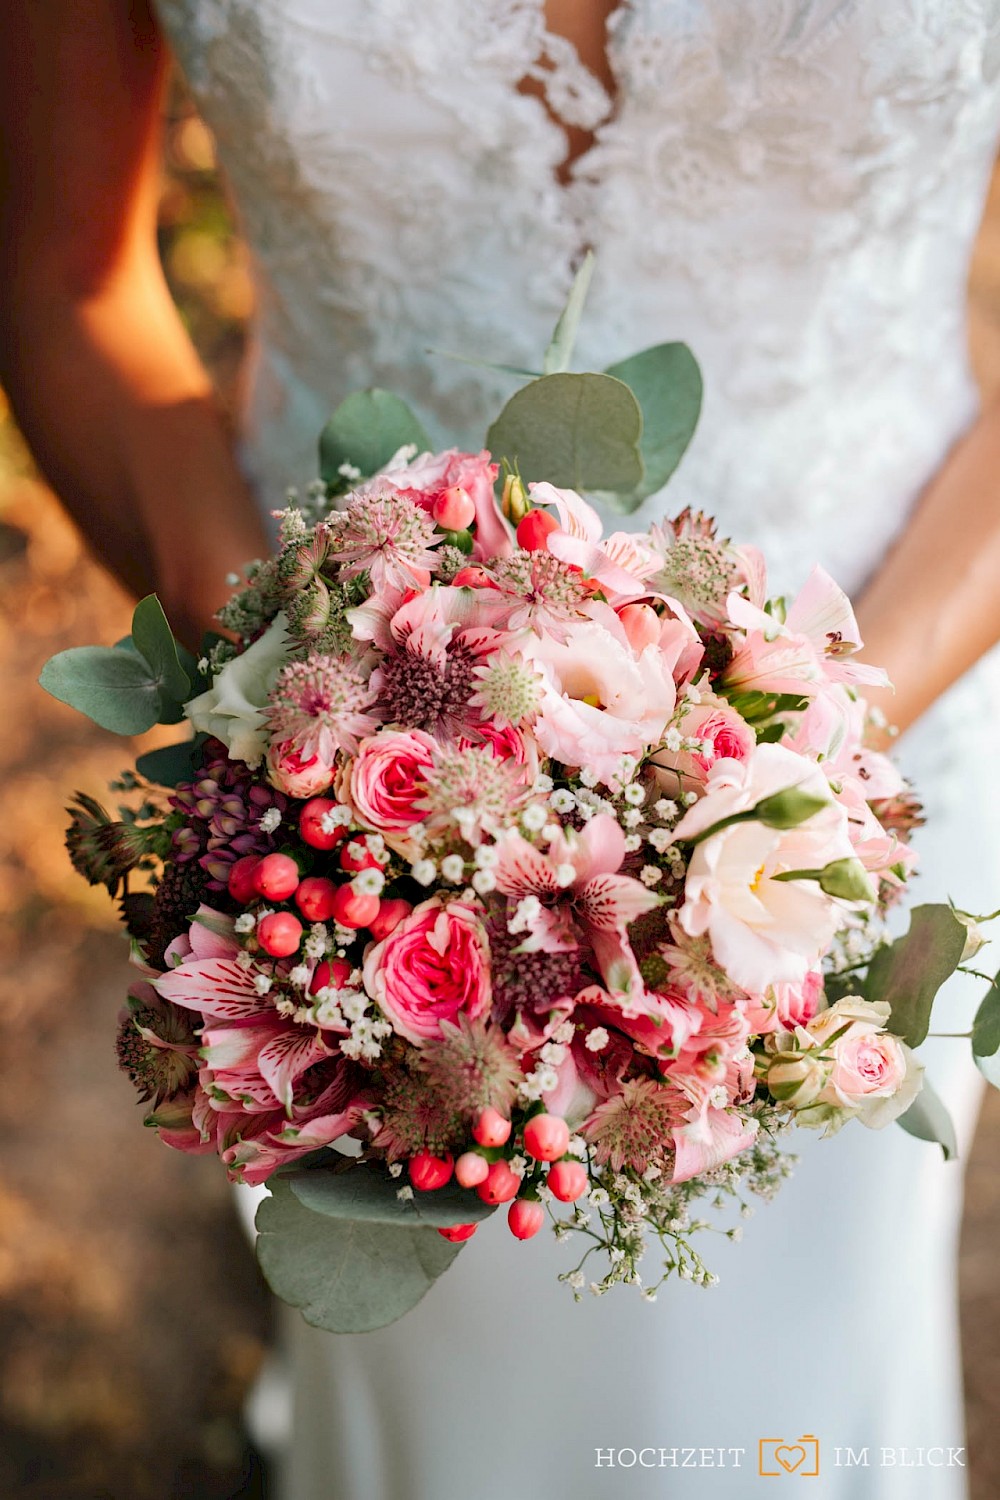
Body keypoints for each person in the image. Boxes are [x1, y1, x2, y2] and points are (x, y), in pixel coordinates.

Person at [3, 3, 1000, 1496]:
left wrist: (793, 762)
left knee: (787, 1386)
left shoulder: (820, 773)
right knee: (441, 1377)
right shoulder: (320, 793)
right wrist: (274, 675)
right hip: (339, 853)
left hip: (858, 776)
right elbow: (62, 275)